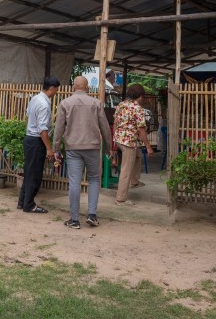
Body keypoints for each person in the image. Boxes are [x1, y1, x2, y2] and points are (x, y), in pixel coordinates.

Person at [53, 76, 111, 229]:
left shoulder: (65, 103)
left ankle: (74, 219)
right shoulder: (96, 103)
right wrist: (109, 146)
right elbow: (105, 127)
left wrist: (56, 148)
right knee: (93, 179)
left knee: (74, 182)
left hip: (73, 147)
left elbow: (59, 128)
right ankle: (92, 215)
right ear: (87, 87)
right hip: (93, 147)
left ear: (74, 87)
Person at [17, 76, 60, 213]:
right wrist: (49, 148)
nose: (56, 93)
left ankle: (23, 202)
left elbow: (28, 113)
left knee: (29, 172)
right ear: (51, 88)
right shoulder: (44, 104)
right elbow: (42, 129)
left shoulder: (35, 98)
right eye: (56, 90)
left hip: (29, 139)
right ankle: (29, 205)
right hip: (36, 141)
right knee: (35, 175)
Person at [113, 83, 154, 206]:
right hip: (129, 142)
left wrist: (115, 138)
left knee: (138, 155)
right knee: (126, 169)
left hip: (120, 139)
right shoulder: (138, 108)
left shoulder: (121, 104)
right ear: (140, 96)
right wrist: (148, 146)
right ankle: (120, 199)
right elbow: (141, 130)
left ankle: (135, 181)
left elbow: (115, 122)